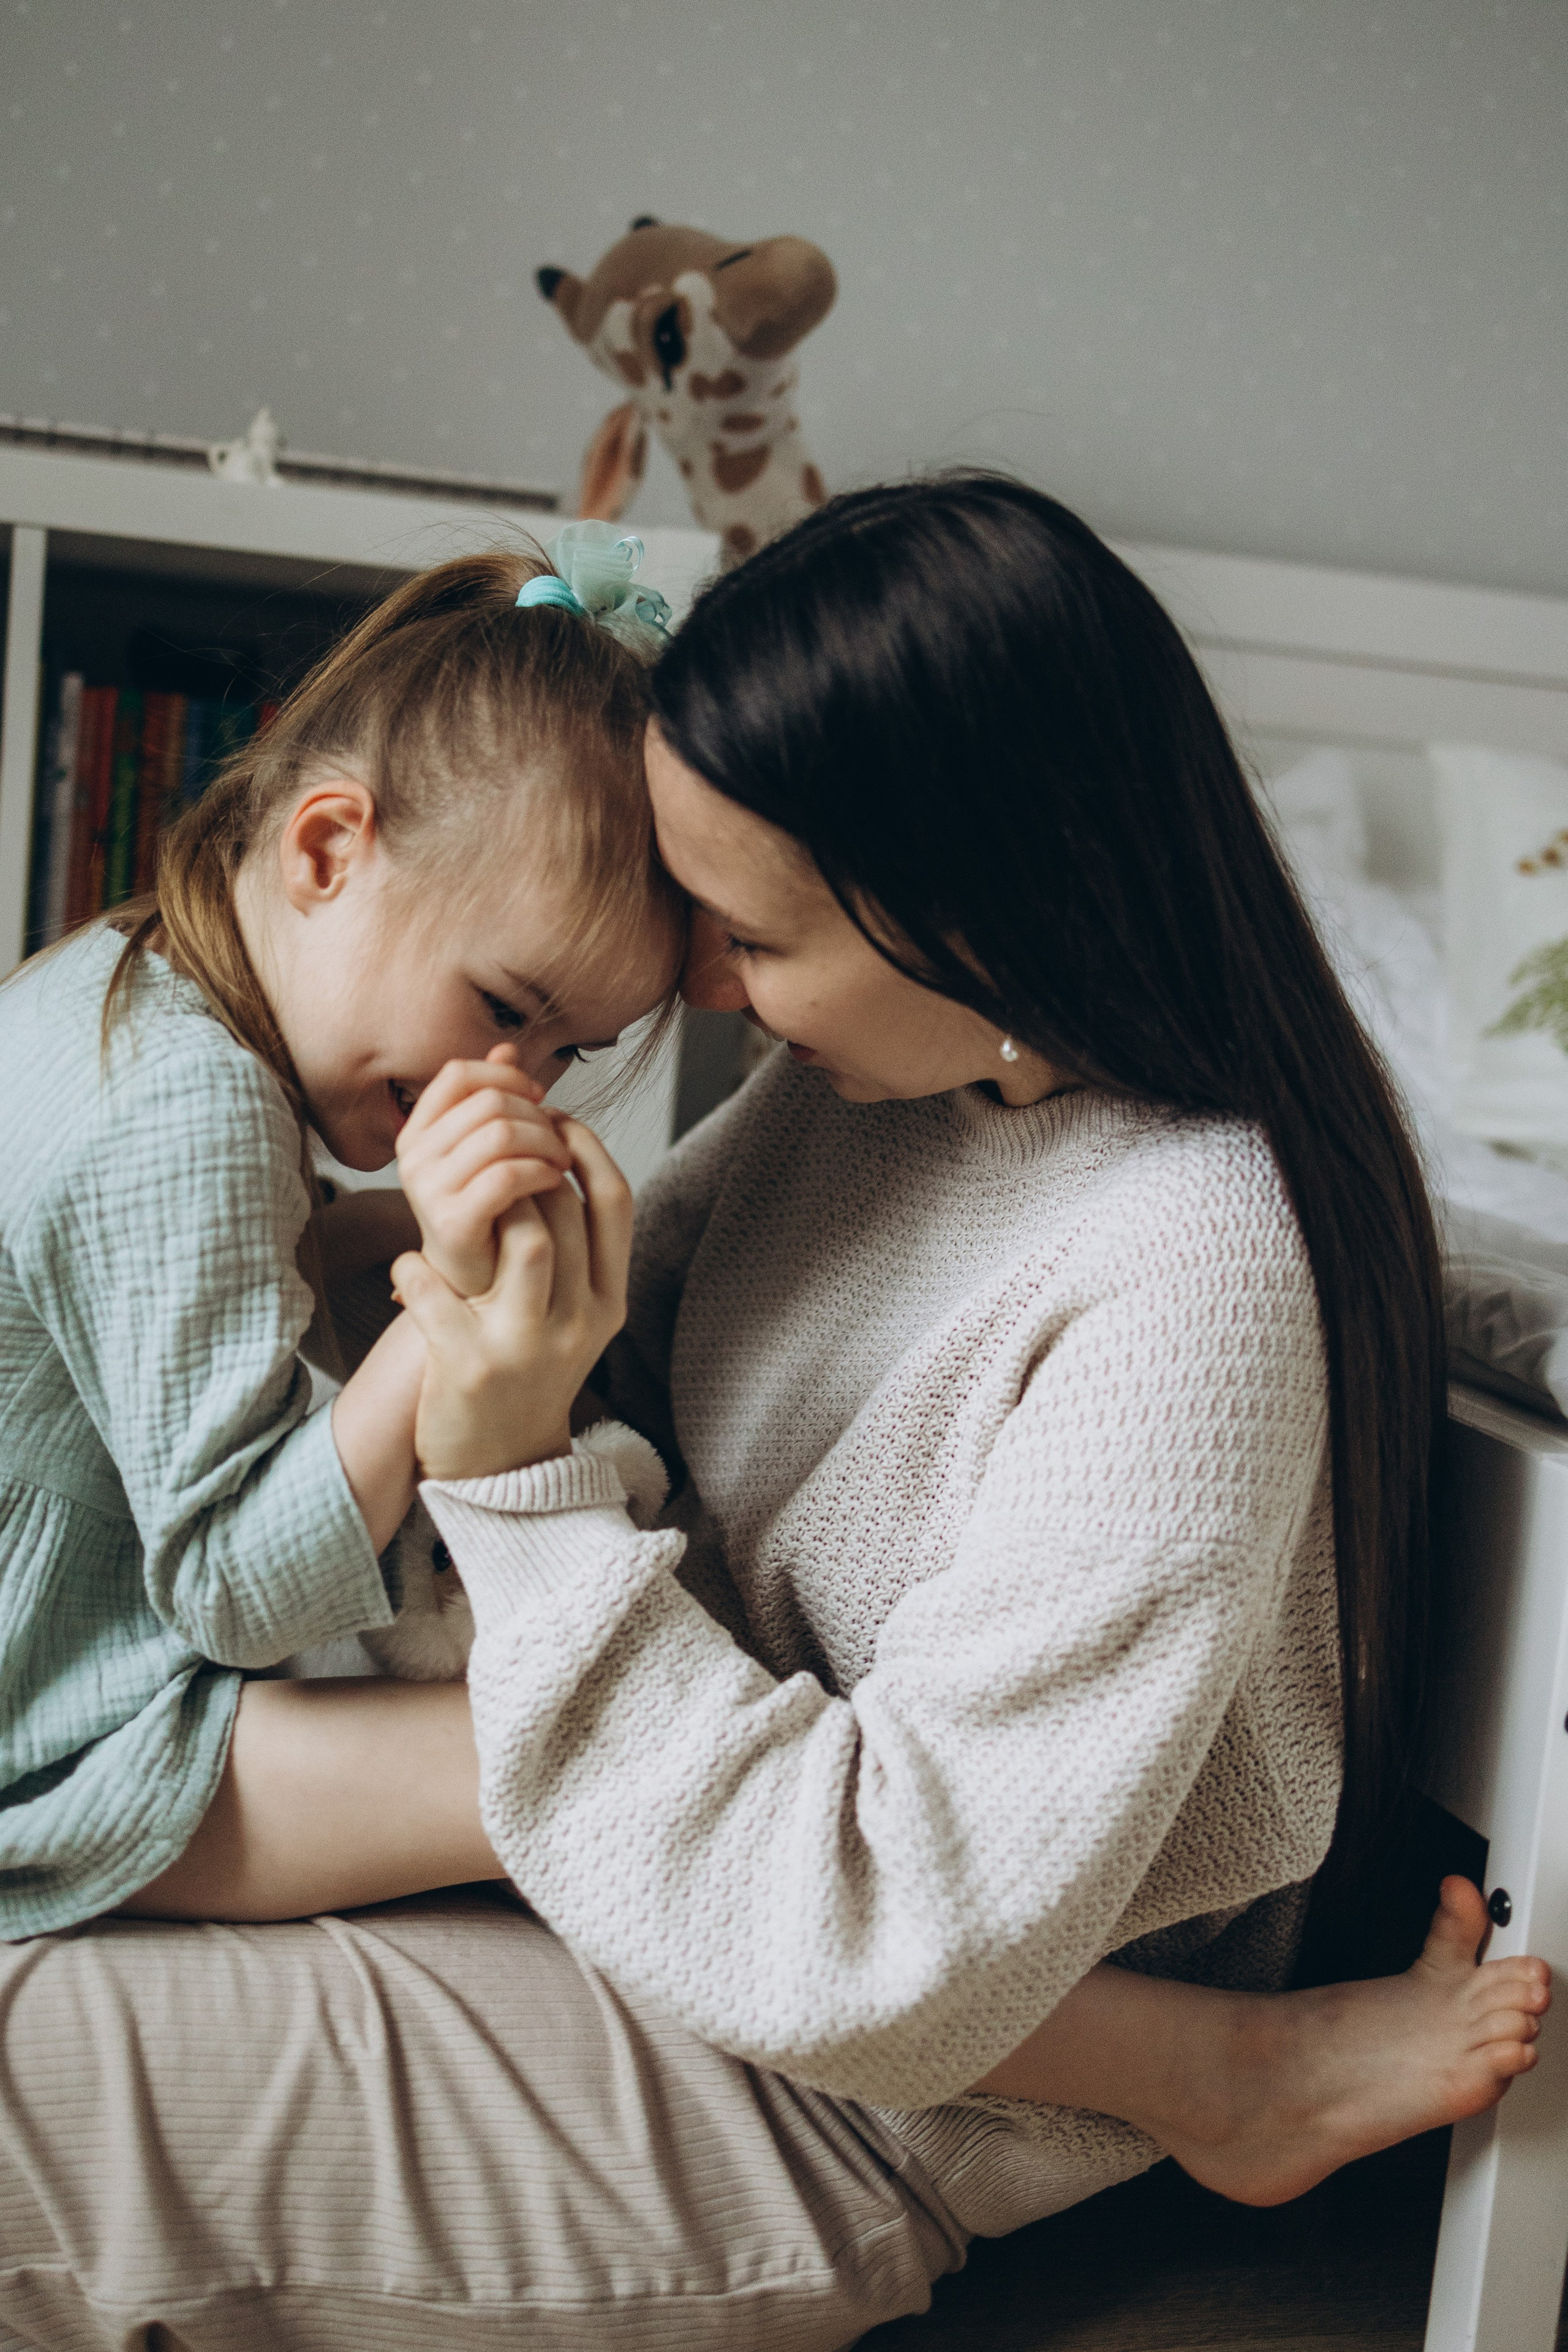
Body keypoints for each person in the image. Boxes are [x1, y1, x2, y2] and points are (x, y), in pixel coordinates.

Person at [0, 477, 1548, 2352]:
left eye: (746, 931)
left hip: (838, 2048)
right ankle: (1214, 2075)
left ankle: (1213, 2078)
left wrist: (504, 1450)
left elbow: (875, 1933)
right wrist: (455, 1299)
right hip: (650, 1842)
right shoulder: (881, 1085)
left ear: (964, 913)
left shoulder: (1189, 1274)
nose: (708, 987)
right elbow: (606, 1374)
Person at [0, 535, 680, 1936]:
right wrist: (447, 1314)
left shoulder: (129, 973)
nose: (515, 1085)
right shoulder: (184, 1106)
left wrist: (394, 1242)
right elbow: (231, 1590)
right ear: (325, 850)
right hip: (51, 1743)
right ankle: (1151, 2046)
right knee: (643, 1761)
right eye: (504, 1009)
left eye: (568, 1051)